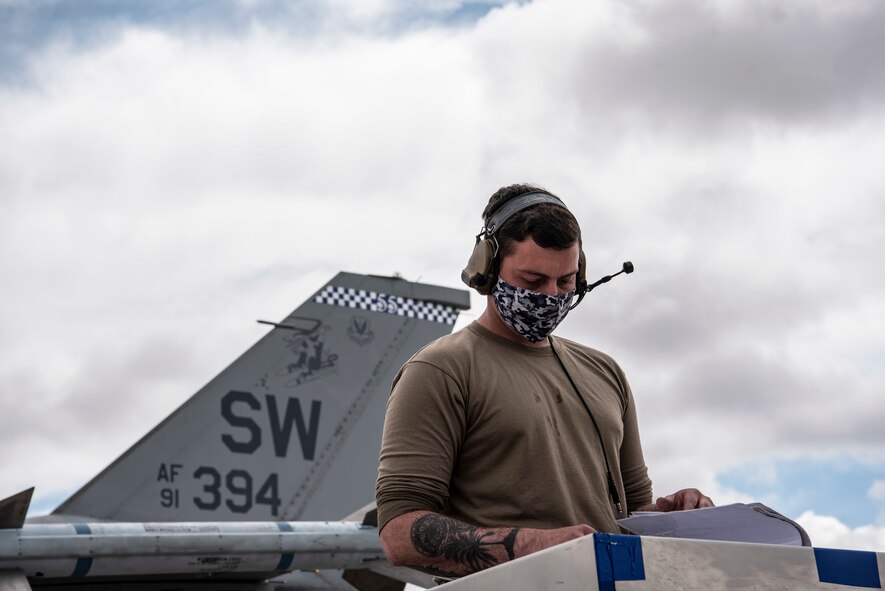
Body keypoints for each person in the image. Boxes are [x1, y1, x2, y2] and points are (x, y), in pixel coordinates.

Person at [375, 183, 712, 578]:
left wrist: (675, 514)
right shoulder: (439, 371)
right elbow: (398, 535)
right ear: (487, 269)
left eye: (566, 282)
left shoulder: (605, 373)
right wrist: (532, 545)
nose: (550, 296)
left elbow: (632, 516)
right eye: (533, 282)